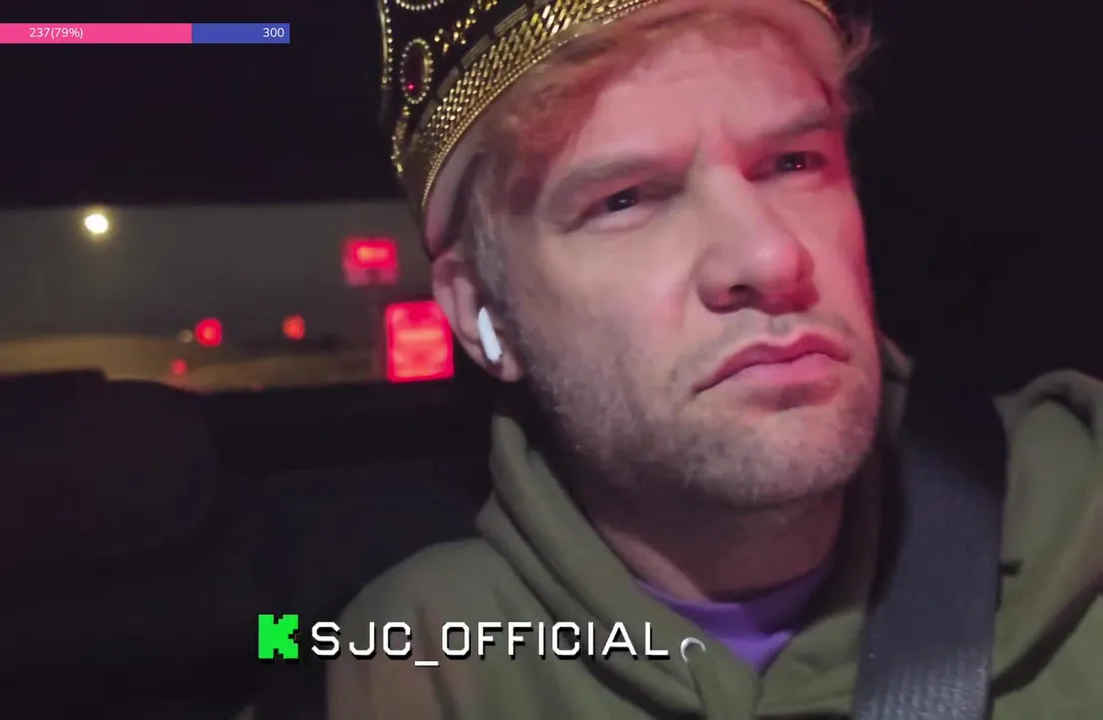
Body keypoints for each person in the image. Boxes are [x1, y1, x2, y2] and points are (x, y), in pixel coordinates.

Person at [328, 0, 1103, 716]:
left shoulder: (1079, 518)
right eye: (625, 199)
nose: (770, 256)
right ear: (481, 312)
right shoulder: (425, 660)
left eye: (794, 162)